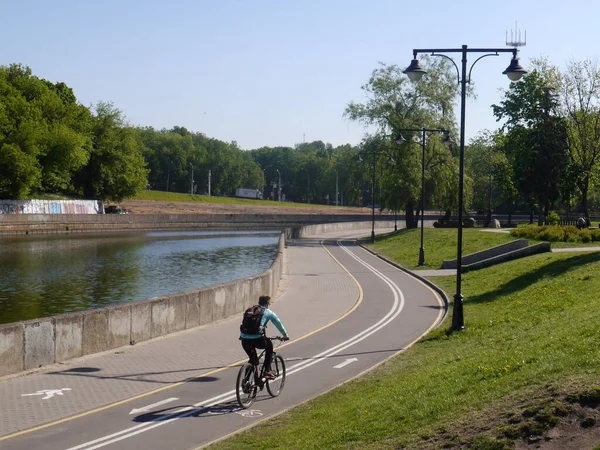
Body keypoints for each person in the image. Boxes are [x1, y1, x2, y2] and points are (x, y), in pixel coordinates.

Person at [240, 295, 289, 380]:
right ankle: (266, 370)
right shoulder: (268, 312)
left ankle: (246, 382)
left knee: (253, 360)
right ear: (268, 303)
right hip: (258, 339)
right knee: (269, 346)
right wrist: (285, 335)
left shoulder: (250, 310)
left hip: (244, 339)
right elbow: (278, 323)